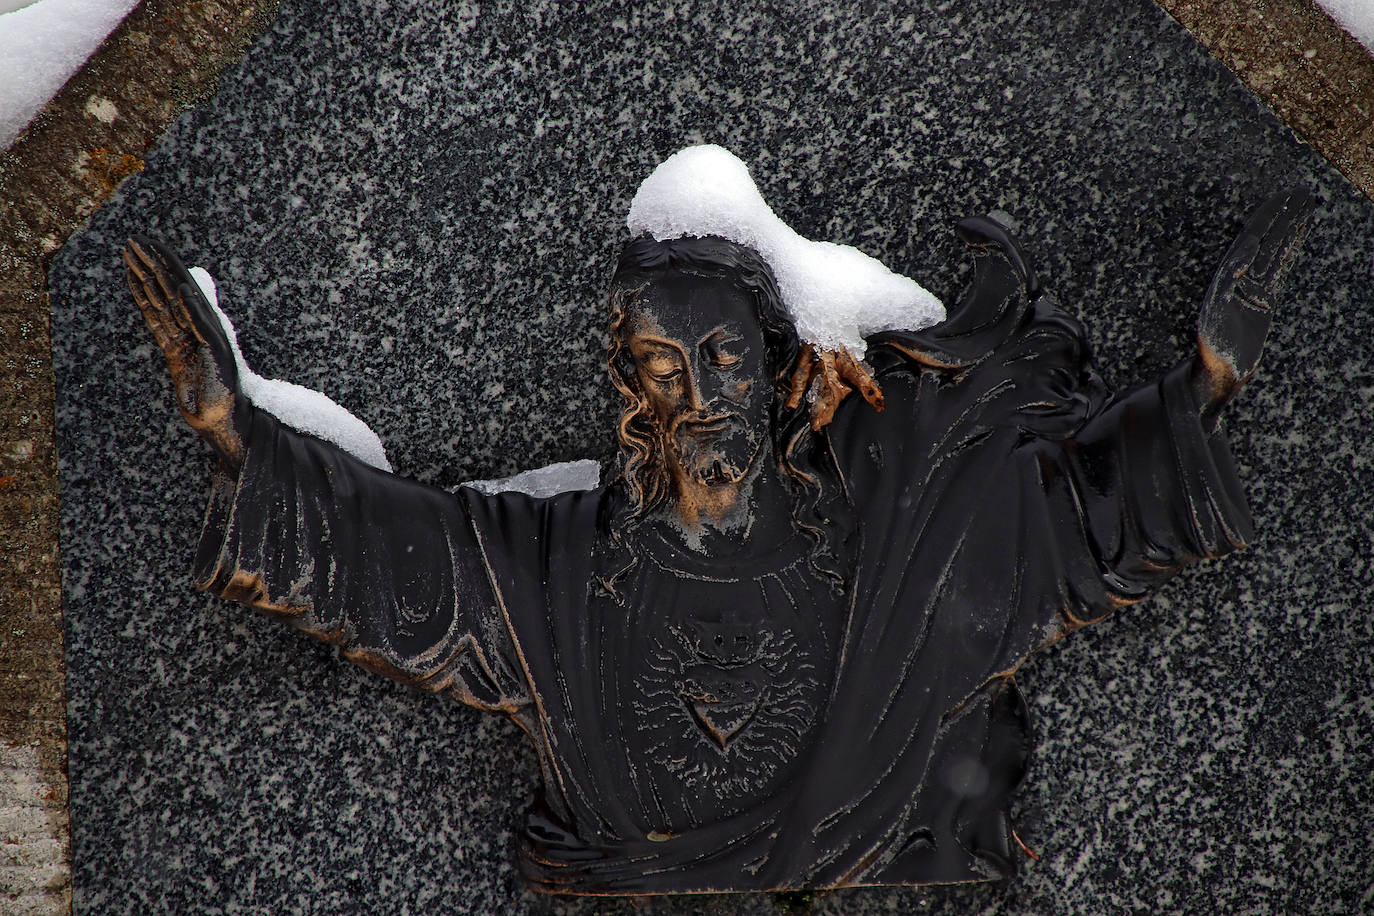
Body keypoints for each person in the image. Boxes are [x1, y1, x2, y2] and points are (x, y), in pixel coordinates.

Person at [123, 184, 1311, 894]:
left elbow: (1077, 530)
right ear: (632, 393)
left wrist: (1202, 385)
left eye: (727, 357)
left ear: (781, 367)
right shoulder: (560, 575)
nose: (699, 394)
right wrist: (239, 436)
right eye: (662, 367)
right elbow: (392, 563)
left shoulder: (889, 563)